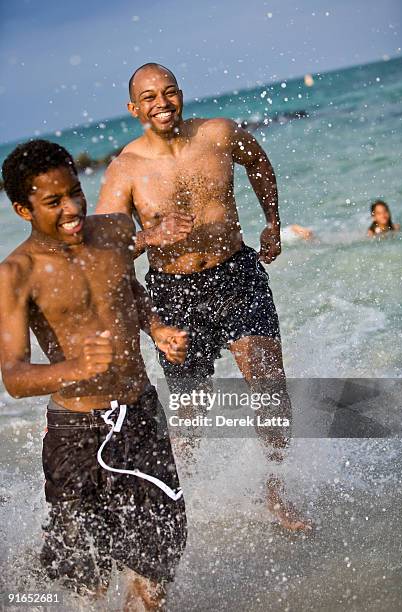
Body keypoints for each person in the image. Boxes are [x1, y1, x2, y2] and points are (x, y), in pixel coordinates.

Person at [96, 63, 311, 531]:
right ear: (134, 110)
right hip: (174, 293)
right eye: (149, 98)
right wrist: (150, 234)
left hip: (237, 273)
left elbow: (257, 161)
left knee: (268, 379)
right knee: (190, 410)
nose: (162, 103)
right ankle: (180, 500)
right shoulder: (125, 170)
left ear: (182, 94)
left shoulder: (218, 133)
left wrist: (272, 221)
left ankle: (276, 491)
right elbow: (104, 249)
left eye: (169, 92)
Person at [0, 140, 188, 610]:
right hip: (76, 432)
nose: (72, 209)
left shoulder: (117, 230)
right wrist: (76, 368)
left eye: (74, 193)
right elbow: (15, 377)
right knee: (89, 575)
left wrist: (157, 327)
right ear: (23, 208)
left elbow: (128, 286)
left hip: (141, 412)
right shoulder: (17, 273)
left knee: (159, 555)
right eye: (53, 202)